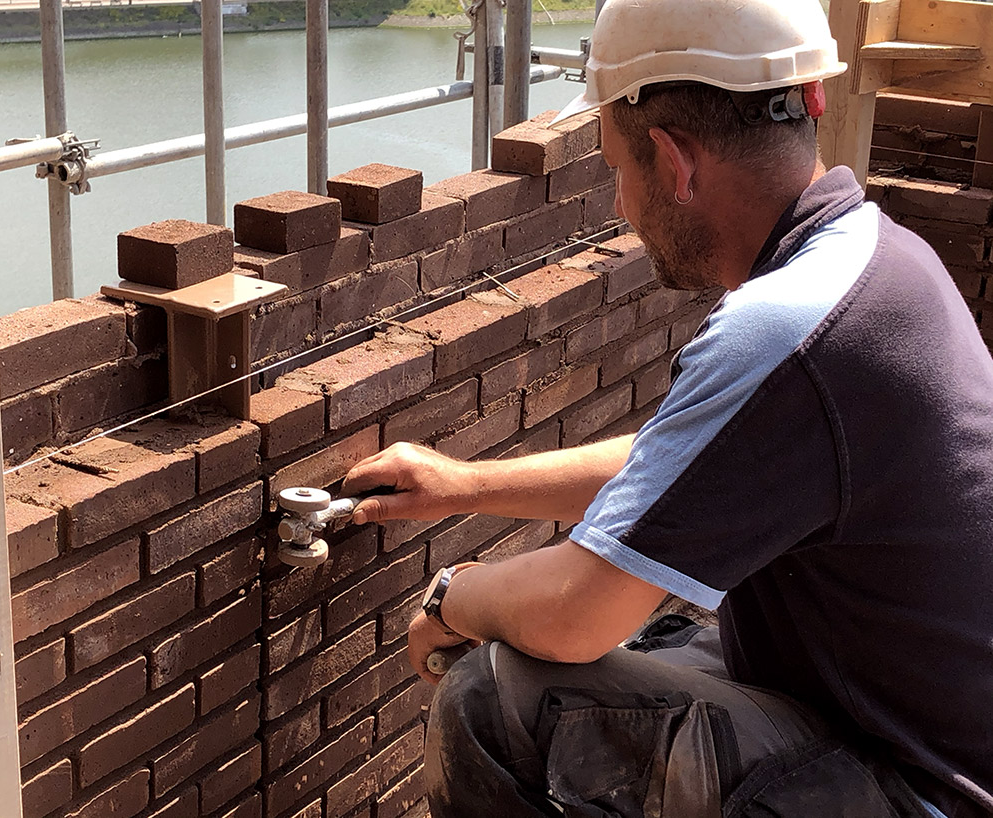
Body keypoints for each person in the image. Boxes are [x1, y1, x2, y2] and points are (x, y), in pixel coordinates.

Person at [341, 0, 993, 815]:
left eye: (617, 168)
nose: (619, 205)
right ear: (809, 100)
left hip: (915, 787)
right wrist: (463, 485)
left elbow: (575, 612)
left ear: (676, 161)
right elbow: (682, 465)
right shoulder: (877, 261)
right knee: (651, 641)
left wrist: (454, 598)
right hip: (901, 725)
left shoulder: (785, 328)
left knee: (496, 696)